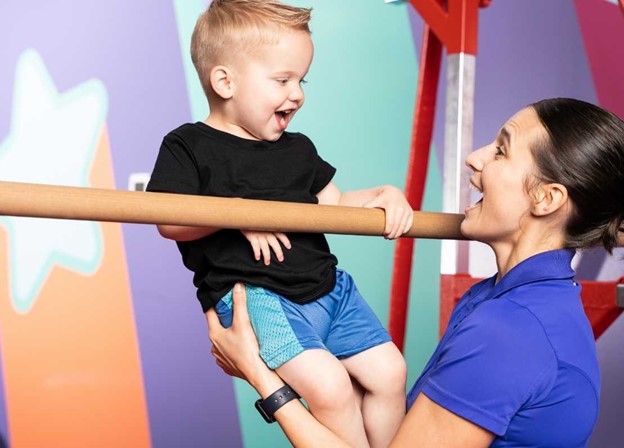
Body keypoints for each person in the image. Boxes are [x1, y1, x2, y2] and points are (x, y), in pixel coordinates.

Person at [207, 97, 624, 447]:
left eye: (500, 150)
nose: (474, 158)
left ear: (547, 198)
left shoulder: (511, 330)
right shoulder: (505, 299)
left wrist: (262, 376)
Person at [146, 1, 413, 447]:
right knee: (331, 388)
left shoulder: (298, 149)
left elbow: (336, 206)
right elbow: (167, 219)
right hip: (262, 298)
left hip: (330, 290)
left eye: (301, 80)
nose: (298, 94)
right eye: (283, 80)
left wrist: (383, 196)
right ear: (225, 81)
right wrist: (237, 214)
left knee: (390, 371)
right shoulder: (188, 146)